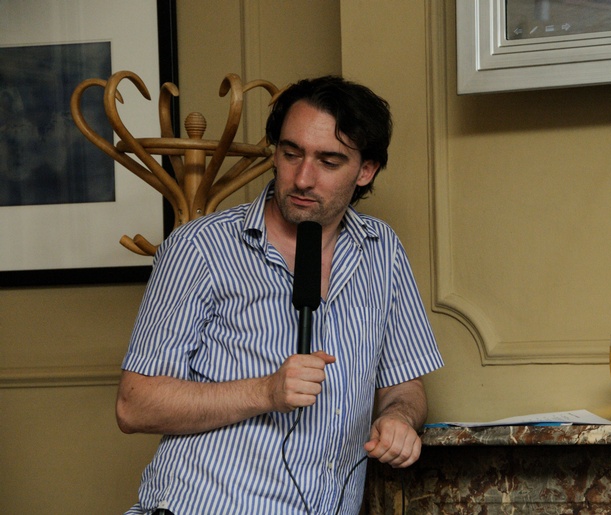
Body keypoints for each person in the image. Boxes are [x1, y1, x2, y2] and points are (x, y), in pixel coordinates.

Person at [116, 75, 444, 514]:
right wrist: (266, 392)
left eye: (329, 161)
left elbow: (405, 385)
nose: (303, 178)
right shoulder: (199, 247)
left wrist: (399, 418)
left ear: (366, 170)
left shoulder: (381, 249)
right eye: (291, 154)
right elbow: (134, 405)